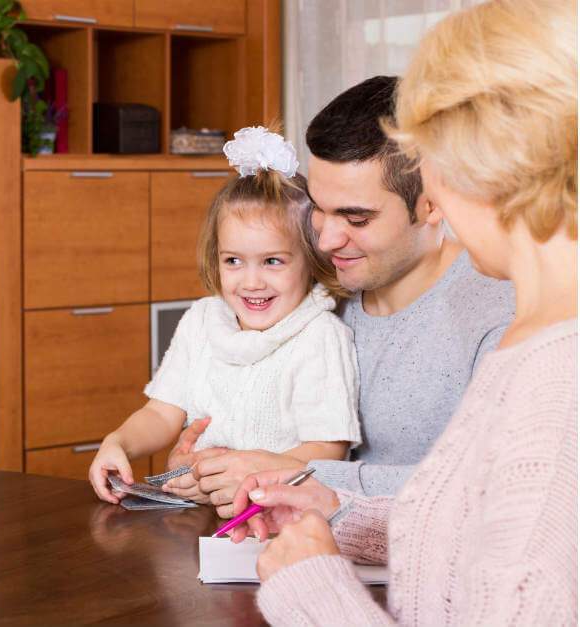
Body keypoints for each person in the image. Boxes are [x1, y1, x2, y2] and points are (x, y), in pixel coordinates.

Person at [228, 1, 577, 624]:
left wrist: (312, 588)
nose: (434, 186)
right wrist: (335, 511)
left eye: (433, 156)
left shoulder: (556, 372)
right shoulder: (539, 335)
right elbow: (482, 525)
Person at [165, 75, 515, 518]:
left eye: (355, 217)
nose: (327, 241)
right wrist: (208, 469)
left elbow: (489, 487)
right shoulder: (307, 291)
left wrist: (291, 476)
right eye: (319, 211)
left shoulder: (501, 314)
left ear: (432, 203)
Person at [88, 127, 361, 504]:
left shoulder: (320, 336)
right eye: (233, 260)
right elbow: (162, 411)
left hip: (275, 519)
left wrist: (246, 474)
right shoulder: (202, 320)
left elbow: (329, 451)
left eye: (272, 261)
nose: (251, 282)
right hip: (200, 515)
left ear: (311, 261)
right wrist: (117, 443)